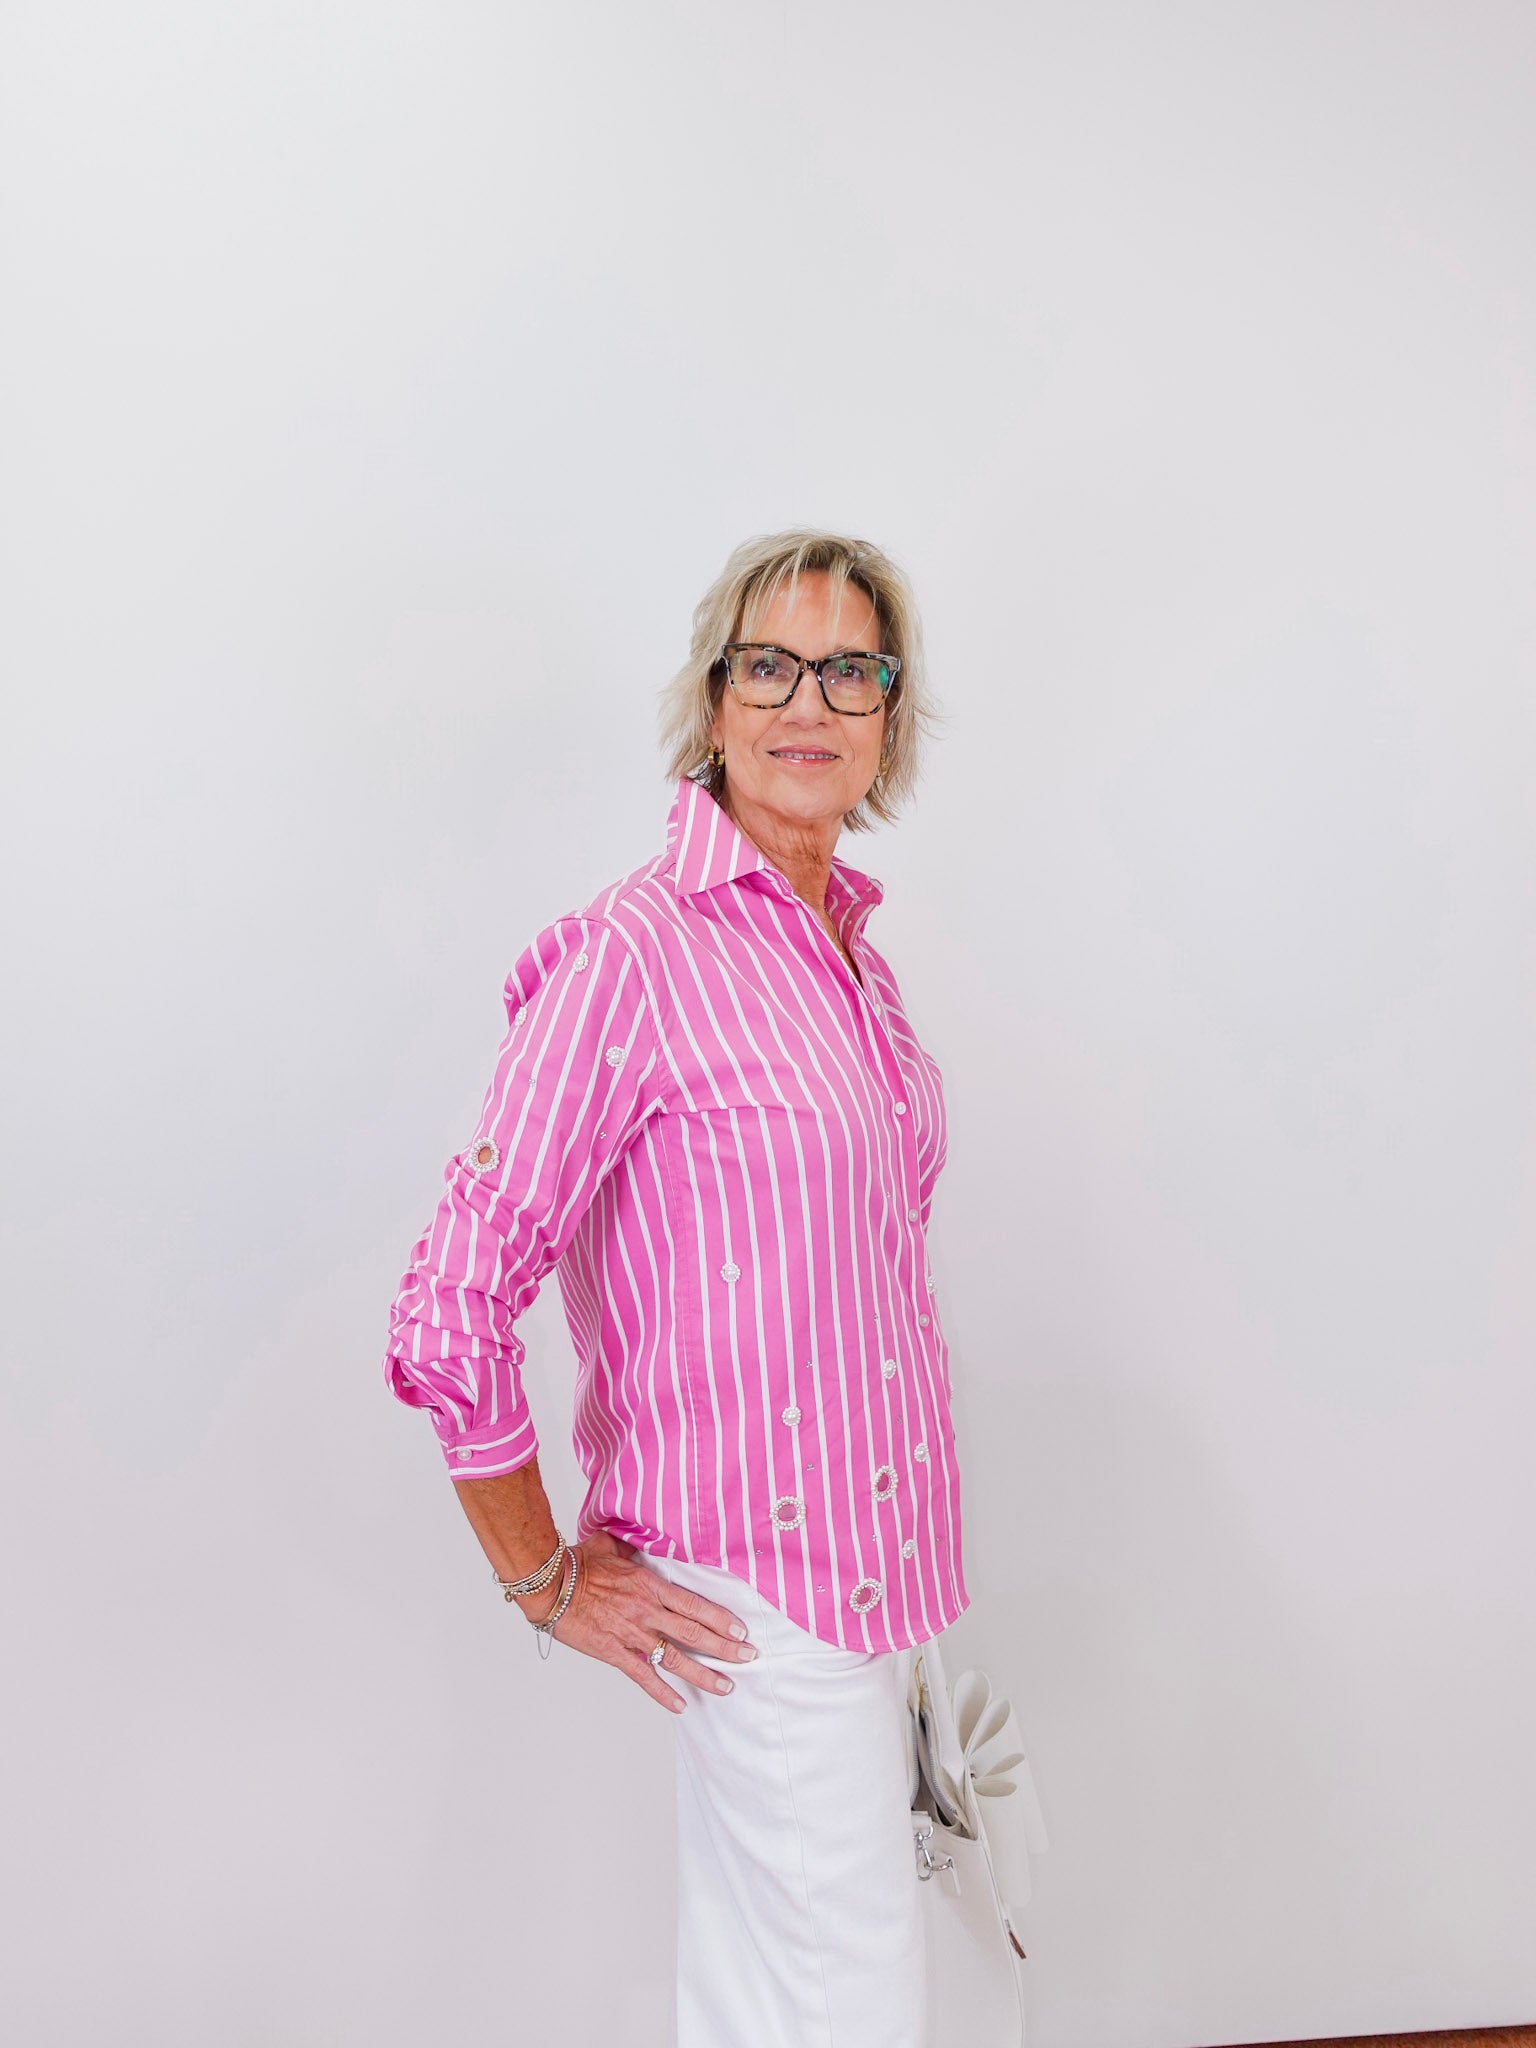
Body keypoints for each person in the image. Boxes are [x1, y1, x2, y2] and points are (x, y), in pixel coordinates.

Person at [381, 528, 968, 2047]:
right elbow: (451, 1300)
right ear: (712, 705)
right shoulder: (632, 960)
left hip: (873, 1585)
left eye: (852, 668)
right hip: (758, 1601)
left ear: (889, 718)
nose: (809, 699)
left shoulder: (854, 960)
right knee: (852, 2016)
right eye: (769, 663)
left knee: (772, 2010)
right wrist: (539, 1574)